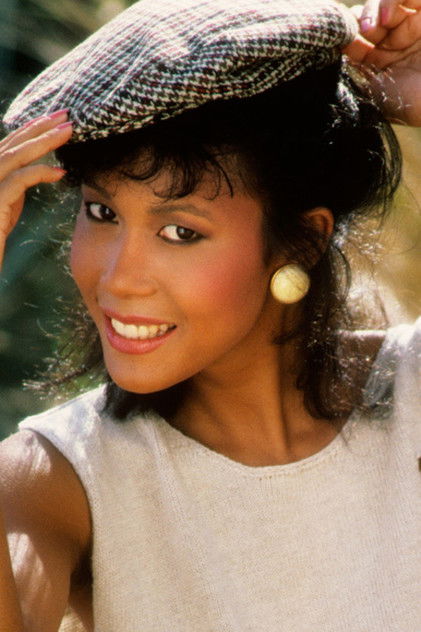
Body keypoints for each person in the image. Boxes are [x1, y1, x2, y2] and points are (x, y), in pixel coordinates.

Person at [0, 0, 420, 630]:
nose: (118, 278)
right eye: (102, 213)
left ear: (302, 239)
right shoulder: (57, 478)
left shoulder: (412, 393)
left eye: (179, 231)